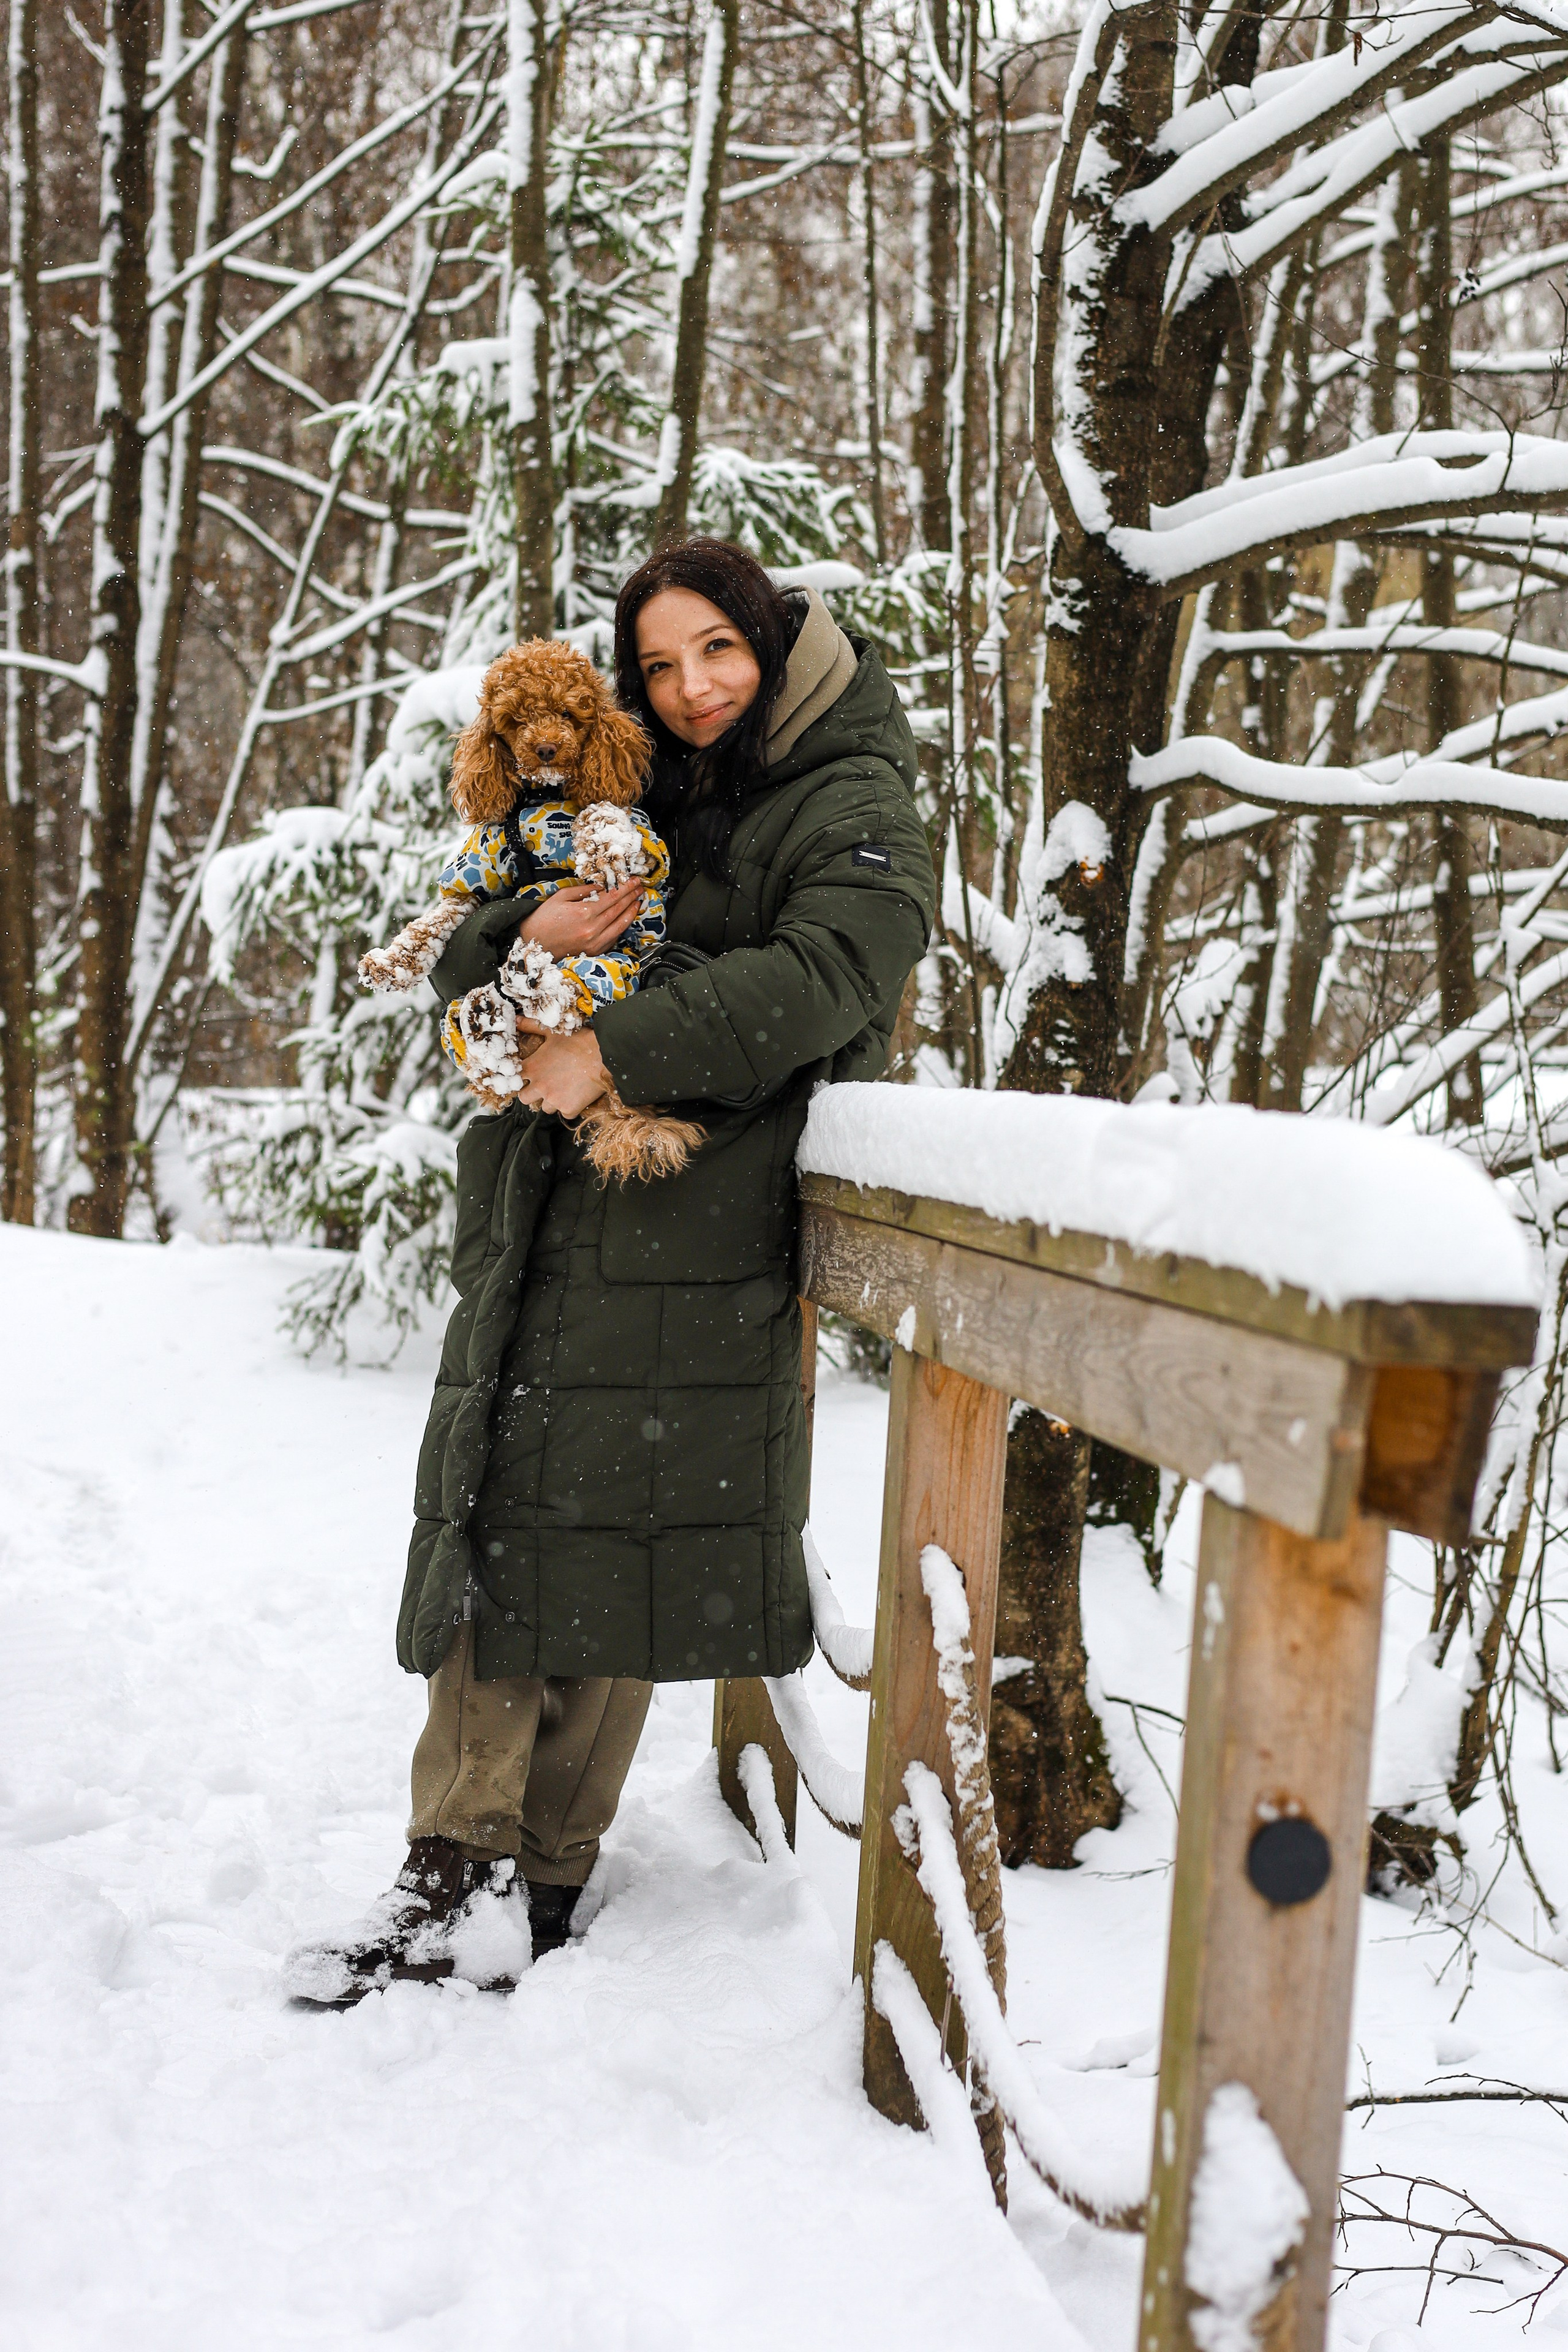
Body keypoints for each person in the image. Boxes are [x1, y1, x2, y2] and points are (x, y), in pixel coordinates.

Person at [287, 537, 937, 2005]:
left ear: (772, 643)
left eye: (715, 648)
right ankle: (454, 1866)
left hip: (698, 1220)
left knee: (632, 1529)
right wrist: (523, 933)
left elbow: (834, 970)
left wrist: (609, 1051)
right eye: (657, 664)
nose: (690, 685)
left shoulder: (852, 795)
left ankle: (541, 1873)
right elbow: (485, 933)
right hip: (553, 1209)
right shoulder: (641, 783)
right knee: (506, 1511)